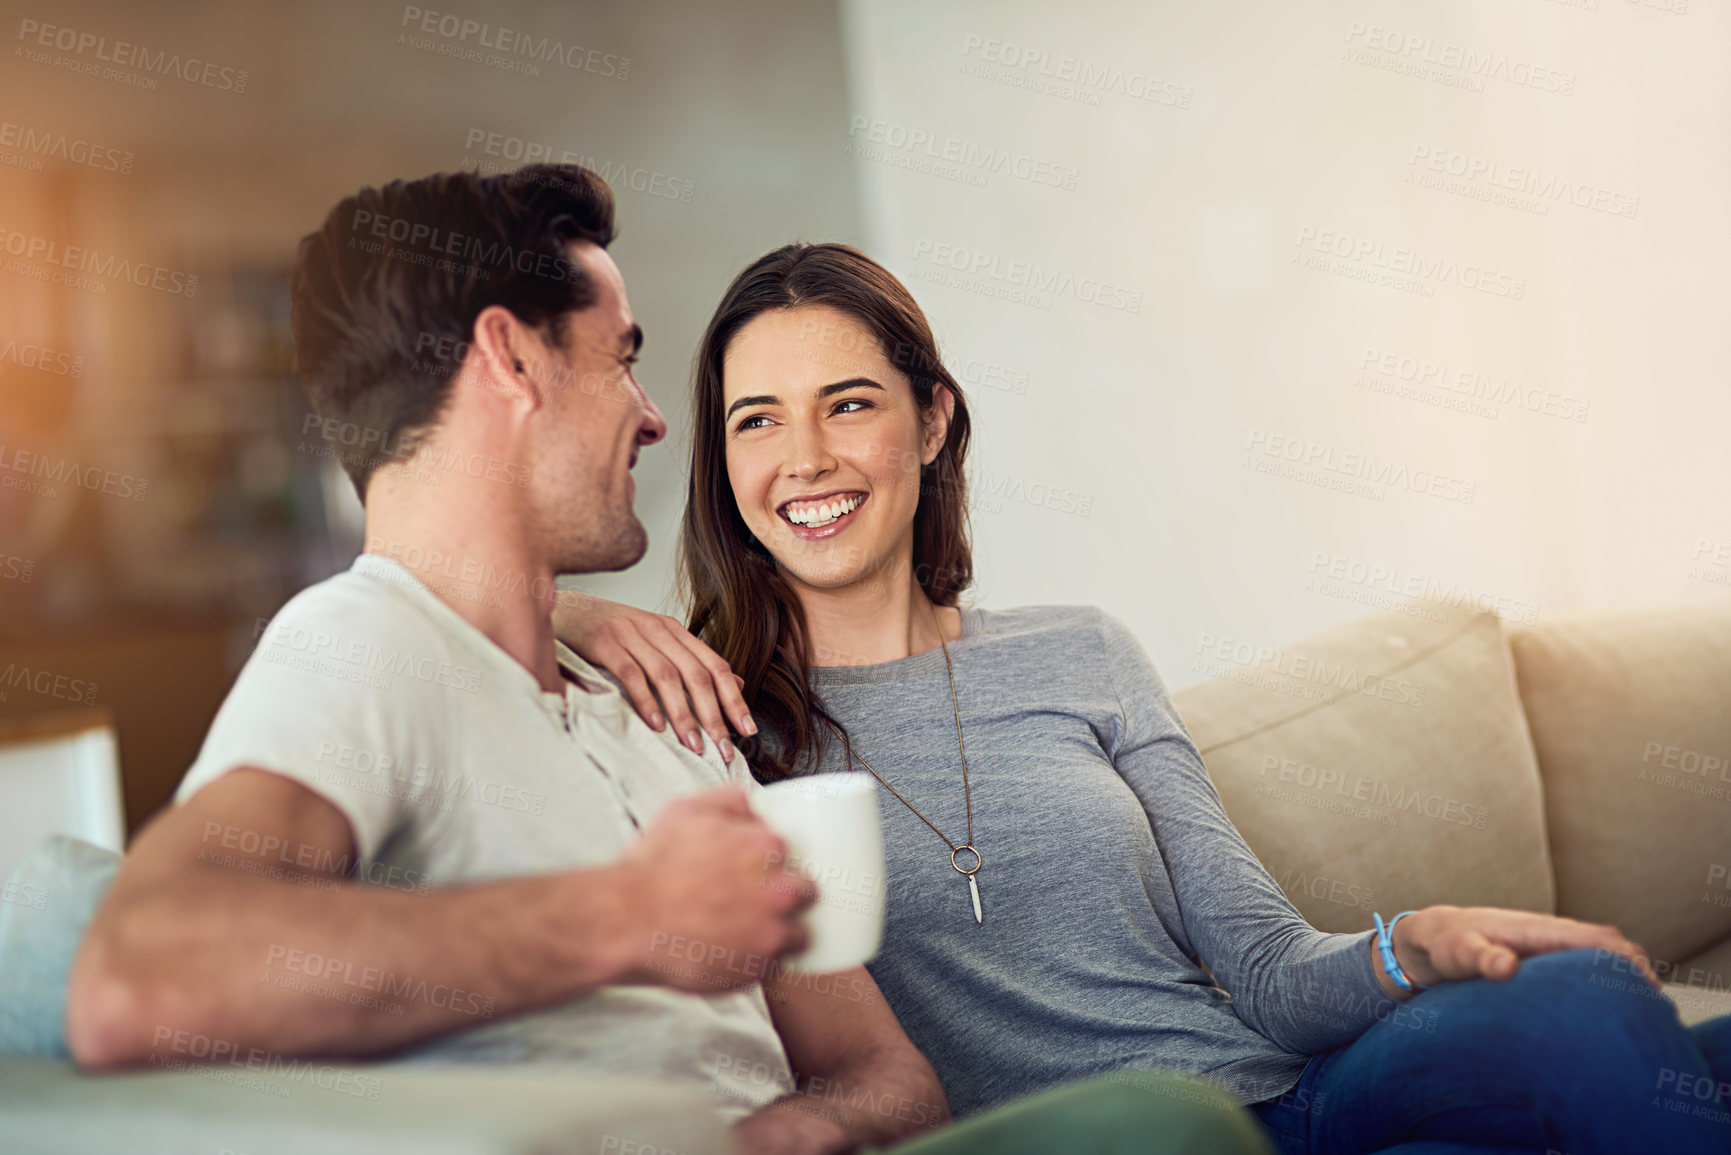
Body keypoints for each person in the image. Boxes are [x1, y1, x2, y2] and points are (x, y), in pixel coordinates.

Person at [63, 165, 1271, 1155]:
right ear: (512, 360)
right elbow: (138, 979)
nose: (652, 415)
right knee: (1166, 1129)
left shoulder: (658, 705)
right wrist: (626, 916)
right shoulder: (358, 645)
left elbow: (886, 1078)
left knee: (1186, 1115)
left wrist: (789, 1134)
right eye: (621, 357)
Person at [554, 241, 1731, 1155]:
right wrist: (580, 611)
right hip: (1128, 1143)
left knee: (1588, 1001)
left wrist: (1408, 946)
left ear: (934, 419)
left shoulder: (1082, 652)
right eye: (757, 420)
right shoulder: (705, 719)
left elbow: (1267, 972)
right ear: (725, 464)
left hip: (1301, 1099)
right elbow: (464, 621)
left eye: (848, 403)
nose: (803, 457)